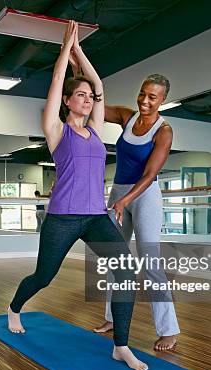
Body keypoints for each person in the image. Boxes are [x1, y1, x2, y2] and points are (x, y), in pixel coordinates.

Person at [7, 21, 148, 370]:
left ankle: (121, 346)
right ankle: (13, 308)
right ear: (68, 102)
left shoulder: (97, 131)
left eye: (89, 97)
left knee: (127, 273)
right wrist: (62, 52)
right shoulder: (56, 131)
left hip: (96, 216)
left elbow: (99, 84)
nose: (87, 100)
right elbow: (56, 83)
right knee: (44, 276)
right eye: (80, 96)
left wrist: (78, 50)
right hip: (63, 218)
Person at [79, 70, 180, 351]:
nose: (144, 101)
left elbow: (149, 175)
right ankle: (113, 318)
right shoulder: (127, 117)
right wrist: (80, 74)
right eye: (142, 93)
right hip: (119, 192)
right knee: (115, 258)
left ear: (162, 100)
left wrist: (125, 201)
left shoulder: (163, 131)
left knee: (150, 263)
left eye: (152, 97)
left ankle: (169, 330)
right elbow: (94, 108)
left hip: (145, 195)